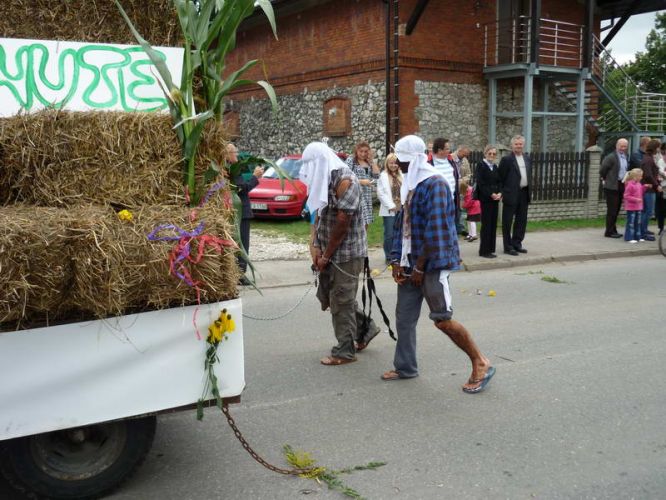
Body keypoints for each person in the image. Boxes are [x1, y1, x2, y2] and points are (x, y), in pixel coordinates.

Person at [381, 134, 495, 394]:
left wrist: (420, 266)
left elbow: (438, 230)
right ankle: (406, 367)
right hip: (410, 263)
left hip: (432, 264)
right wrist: (397, 261)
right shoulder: (411, 182)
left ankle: (481, 362)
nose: (397, 162)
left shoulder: (435, 184)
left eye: (401, 158)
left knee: (442, 319)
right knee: (404, 319)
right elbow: (402, 226)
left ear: (414, 158)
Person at [300, 142, 379, 366]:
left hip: (347, 252)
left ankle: (344, 351)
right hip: (328, 249)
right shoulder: (323, 180)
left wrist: (326, 256)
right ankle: (366, 329)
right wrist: (315, 248)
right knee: (333, 296)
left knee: (341, 299)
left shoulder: (346, 182)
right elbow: (319, 217)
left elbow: (342, 225)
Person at [227, 143, 263, 283]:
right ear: (227, 154)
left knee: (240, 242)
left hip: (239, 210)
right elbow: (241, 188)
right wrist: (255, 177)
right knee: (242, 242)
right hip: (240, 211)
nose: (237, 154)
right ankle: (240, 274)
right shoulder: (230, 170)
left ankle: (238, 272)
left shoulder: (232, 169)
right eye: (234, 152)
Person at [498, 135, 531, 255]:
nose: (519, 146)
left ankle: (517, 243)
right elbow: (500, 178)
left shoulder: (527, 158)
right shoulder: (506, 160)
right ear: (512, 145)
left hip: (524, 193)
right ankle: (508, 247)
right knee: (507, 221)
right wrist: (502, 192)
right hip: (510, 194)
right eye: (516, 144)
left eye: (520, 144)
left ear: (523, 145)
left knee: (521, 221)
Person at [475, 145, 502, 258]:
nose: (492, 155)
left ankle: (491, 248)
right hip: (486, 199)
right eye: (489, 153)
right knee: (486, 224)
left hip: (495, 199)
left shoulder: (495, 166)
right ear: (485, 153)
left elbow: (499, 182)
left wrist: (500, 193)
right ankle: (484, 251)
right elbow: (481, 184)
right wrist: (491, 194)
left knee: (493, 224)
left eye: (494, 154)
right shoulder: (481, 165)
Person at [599, 138, 629, 239]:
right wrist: (606, 178)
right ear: (617, 146)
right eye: (622, 146)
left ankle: (613, 229)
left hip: (621, 184)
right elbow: (603, 169)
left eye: (625, 146)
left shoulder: (625, 156)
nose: (623, 148)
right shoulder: (611, 157)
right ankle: (609, 231)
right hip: (612, 186)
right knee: (612, 210)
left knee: (616, 209)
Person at [429, 138, 459, 232]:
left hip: (452, 201)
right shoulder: (429, 164)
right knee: (439, 230)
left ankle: (450, 246)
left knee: (451, 229)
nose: (449, 151)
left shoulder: (451, 162)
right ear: (439, 150)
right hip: (437, 203)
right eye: (446, 149)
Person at [346, 141, 379, 227]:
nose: (363, 154)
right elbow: (345, 177)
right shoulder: (351, 160)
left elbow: (377, 175)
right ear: (356, 150)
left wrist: (372, 161)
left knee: (366, 222)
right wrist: (361, 181)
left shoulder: (368, 162)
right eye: (361, 151)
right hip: (355, 195)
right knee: (357, 222)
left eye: (366, 151)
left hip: (367, 195)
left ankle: (363, 240)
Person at [376, 153, 402, 264]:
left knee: (400, 233)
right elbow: (381, 193)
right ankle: (389, 257)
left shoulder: (402, 175)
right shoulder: (383, 175)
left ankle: (398, 255)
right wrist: (391, 206)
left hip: (402, 208)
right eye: (391, 163)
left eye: (395, 163)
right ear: (387, 163)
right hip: (389, 209)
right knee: (390, 234)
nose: (393, 165)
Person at [639, 139, 662, 241]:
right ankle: (643, 233)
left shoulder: (648, 158)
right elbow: (648, 175)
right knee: (648, 212)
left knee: (645, 211)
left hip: (647, 188)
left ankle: (643, 230)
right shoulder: (648, 159)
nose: (659, 149)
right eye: (658, 147)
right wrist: (656, 184)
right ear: (655, 147)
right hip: (648, 189)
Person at [622, 168, 646, 243]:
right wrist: (636, 199)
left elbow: (640, 192)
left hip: (638, 207)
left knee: (638, 222)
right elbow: (626, 196)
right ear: (635, 177)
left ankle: (637, 237)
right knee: (631, 223)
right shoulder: (630, 184)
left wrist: (644, 187)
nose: (641, 178)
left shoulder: (639, 184)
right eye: (640, 176)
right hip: (631, 207)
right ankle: (629, 237)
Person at [657, 143, 666, 235]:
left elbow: (663, 174)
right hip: (662, 187)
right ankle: (661, 227)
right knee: (661, 209)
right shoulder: (660, 161)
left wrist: (663, 174)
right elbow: (660, 172)